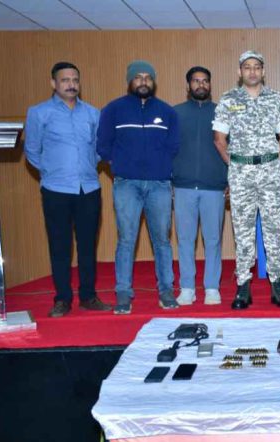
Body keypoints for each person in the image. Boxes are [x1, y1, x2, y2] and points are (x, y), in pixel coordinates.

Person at [24, 62, 111, 317]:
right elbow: (32, 150)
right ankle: (62, 299)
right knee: (59, 246)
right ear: (53, 83)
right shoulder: (39, 113)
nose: (71, 84)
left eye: (75, 80)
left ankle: (88, 297)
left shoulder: (93, 113)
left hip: (89, 188)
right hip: (56, 189)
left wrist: (86, 166)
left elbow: (98, 150)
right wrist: (51, 171)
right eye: (65, 80)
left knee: (87, 246)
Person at [213, 50, 280, 309]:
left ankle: (277, 284)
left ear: (263, 71)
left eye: (256, 67)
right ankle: (243, 286)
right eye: (247, 67)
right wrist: (236, 165)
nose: (252, 71)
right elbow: (219, 139)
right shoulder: (228, 99)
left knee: (274, 229)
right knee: (243, 229)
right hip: (241, 174)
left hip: (270, 173)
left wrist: (270, 161)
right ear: (240, 72)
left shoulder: (275, 99)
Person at [97, 60, 180, 314]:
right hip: (126, 184)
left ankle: (166, 291)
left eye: (148, 77)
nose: (143, 81)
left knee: (162, 240)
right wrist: (121, 165)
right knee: (126, 239)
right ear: (130, 81)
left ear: (153, 82)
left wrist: (159, 167)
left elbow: (174, 147)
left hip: (159, 185)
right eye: (138, 77)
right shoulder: (113, 110)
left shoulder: (167, 112)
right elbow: (103, 145)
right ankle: (123, 293)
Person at [172, 66, 227, 306]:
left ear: (210, 85)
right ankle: (187, 288)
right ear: (188, 85)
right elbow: (168, 149)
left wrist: (229, 178)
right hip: (183, 187)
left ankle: (212, 287)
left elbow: (231, 149)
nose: (201, 85)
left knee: (213, 240)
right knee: (185, 240)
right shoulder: (175, 113)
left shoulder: (222, 113)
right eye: (196, 81)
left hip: (214, 187)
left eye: (205, 81)